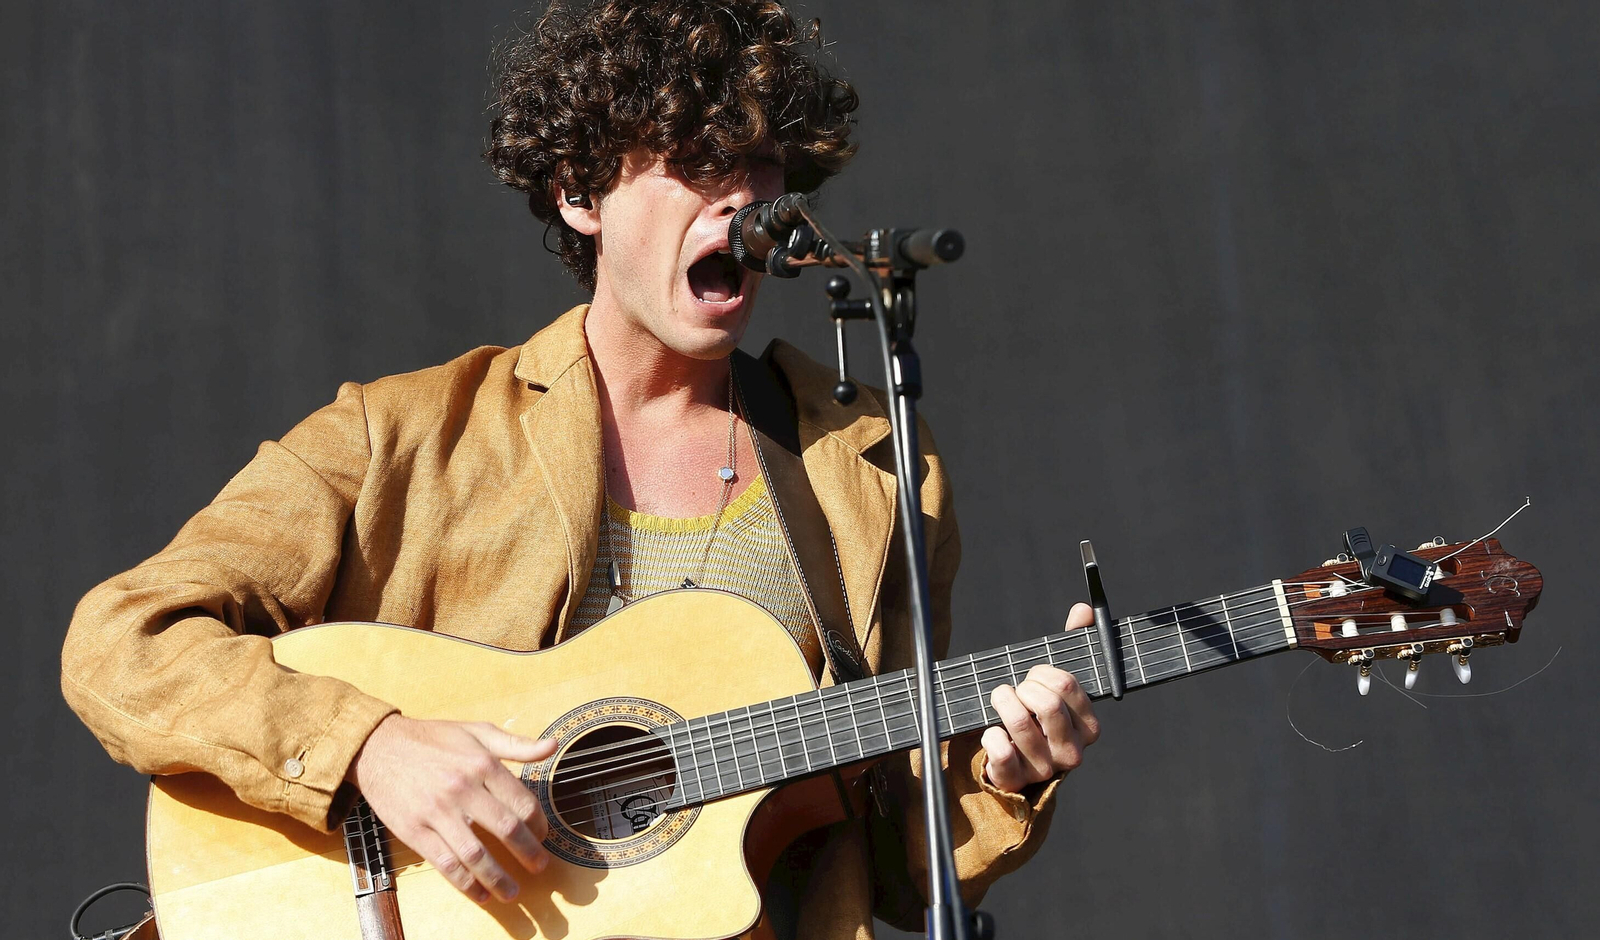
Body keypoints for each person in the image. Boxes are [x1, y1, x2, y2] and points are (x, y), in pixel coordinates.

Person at [61, 1, 1099, 937]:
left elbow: (893, 874)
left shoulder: (869, 468)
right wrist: (368, 745)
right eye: (694, 160)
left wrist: (1001, 781)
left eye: (765, 164)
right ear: (579, 192)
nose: (741, 197)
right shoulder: (401, 438)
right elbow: (122, 641)